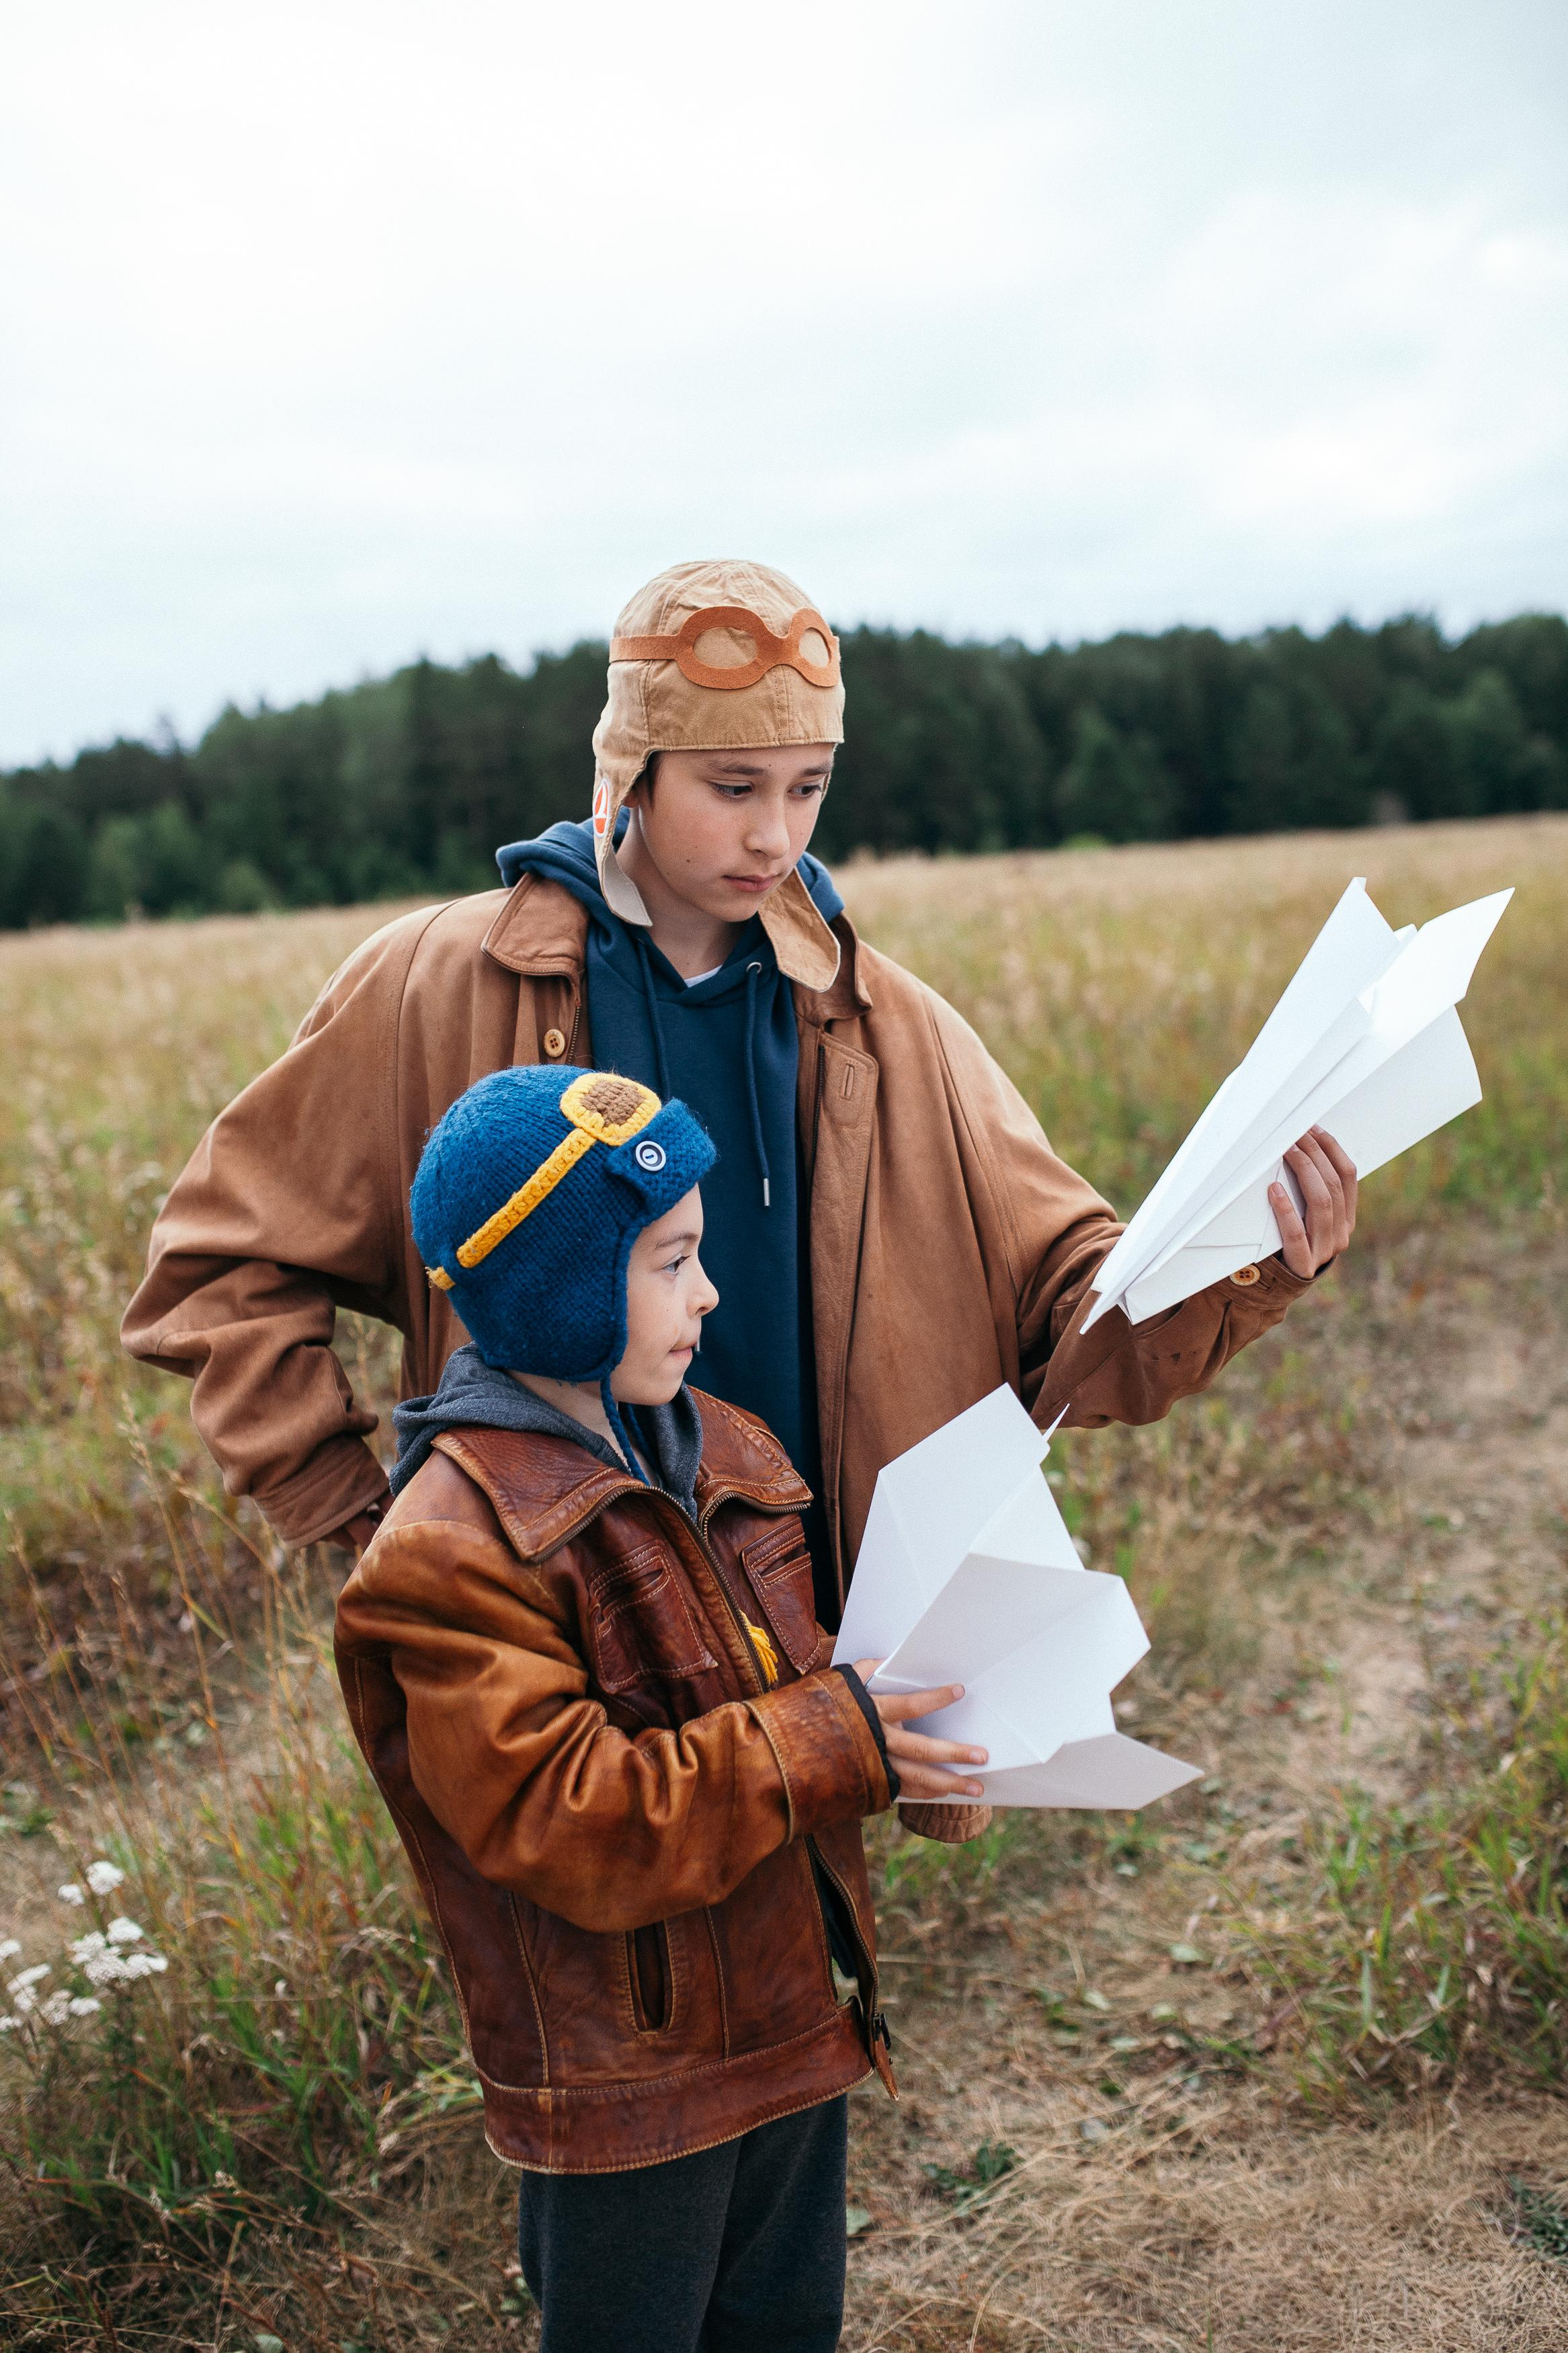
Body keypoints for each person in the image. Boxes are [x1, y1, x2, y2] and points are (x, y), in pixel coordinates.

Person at [124, 557, 1358, 1847]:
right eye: (732, 789)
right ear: (626, 773)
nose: (776, 836)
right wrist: (368, 1515)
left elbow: (1071, 1309)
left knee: (803, 2003)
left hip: (811, 1635)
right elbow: (222, 1266)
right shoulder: (436, 983)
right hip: (569, 1628)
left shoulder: (892, 1026)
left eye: (807, 789)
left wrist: (1248, 1253)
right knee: (596, 2000)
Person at [334, 1062, 985, 2351]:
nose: (708, 1291)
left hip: (800, 2020)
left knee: (786, 2325)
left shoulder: (729, 1448)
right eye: (669, 1260)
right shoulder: (453, 1549)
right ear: (564, 1289)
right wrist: (828, 1738)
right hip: (631, 2089)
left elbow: (794, 1690)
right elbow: (572, 1821)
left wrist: (906, 1744)